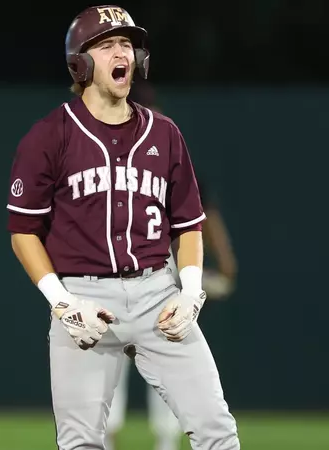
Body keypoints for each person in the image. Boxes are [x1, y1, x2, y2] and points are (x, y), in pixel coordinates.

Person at [5, 5, 240, 450]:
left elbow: (189, 224)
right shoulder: (49, 135)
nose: (123, 53)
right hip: (83, 296)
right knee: (80, 442)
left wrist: (189, 291)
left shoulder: (165, 133)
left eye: (128, 45)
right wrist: (62, 301)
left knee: (217, 430)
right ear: (81, 62)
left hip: (158, 293)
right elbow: (23, 230)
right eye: (108, 44)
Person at [104, 81, 239, 450]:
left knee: (140, 366)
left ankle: (154, 442)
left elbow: (201, 217)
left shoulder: (167, 156)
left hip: (156, 279)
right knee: (126, 366)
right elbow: (205, 218)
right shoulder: (114, 156)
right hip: (130, 277)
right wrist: (224, 264)